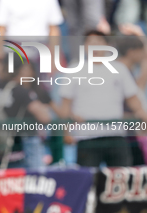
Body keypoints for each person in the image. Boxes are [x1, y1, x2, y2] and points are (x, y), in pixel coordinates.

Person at [60, 31, 147, 167]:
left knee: (121, 179)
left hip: (116, 136)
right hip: (87, 137)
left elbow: (133, 99)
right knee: (88, 181)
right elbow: (65, 105)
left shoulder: (119, 69)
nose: (95, 47)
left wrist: (143, 115)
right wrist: (65, 131)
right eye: (91, 43)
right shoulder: (74, 70)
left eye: (99, 43)